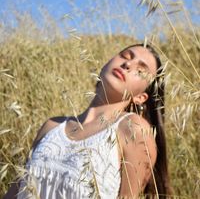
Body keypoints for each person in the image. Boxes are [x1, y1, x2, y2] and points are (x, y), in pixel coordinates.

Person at [4, 43, 172, 199]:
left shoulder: (133, 129)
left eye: (141, 70)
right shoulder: (52, 126)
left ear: (140, 97)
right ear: (104, 65)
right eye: (125, 56)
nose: (128, 65)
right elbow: (16, 190)